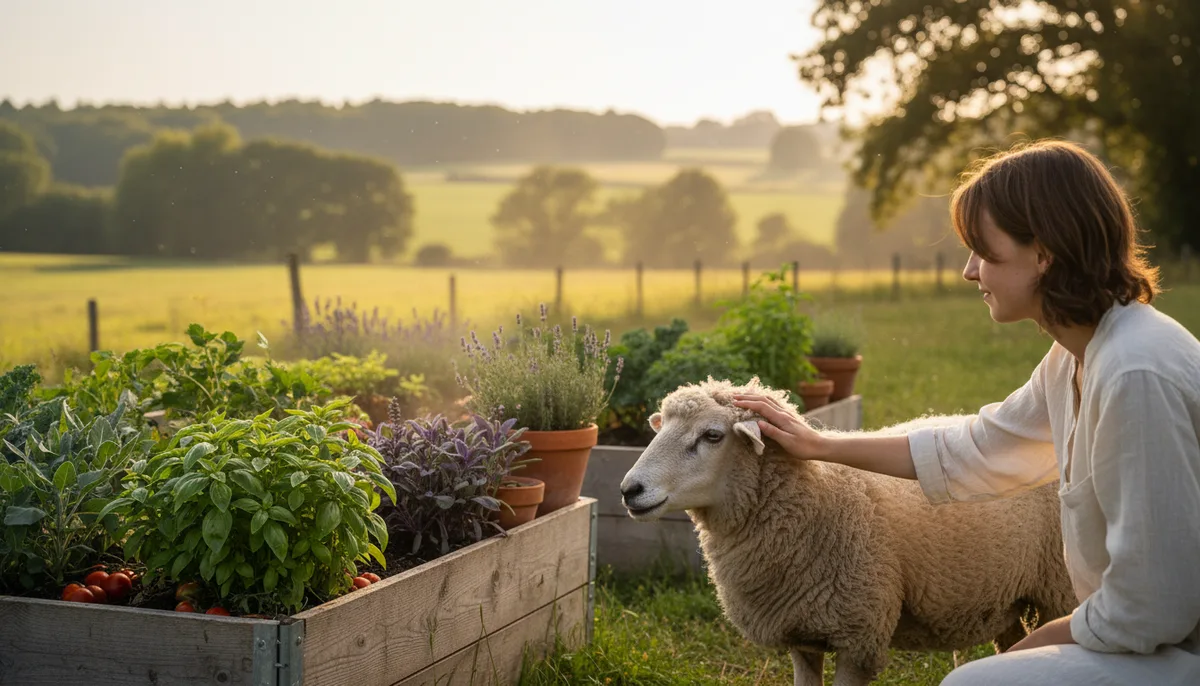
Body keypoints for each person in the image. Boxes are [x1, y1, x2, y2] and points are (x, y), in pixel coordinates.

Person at [732, 139, 1200, 685]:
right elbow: (978, 446)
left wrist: (1029, 649)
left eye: (984, 250)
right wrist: (819, 445)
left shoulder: (1134, 374)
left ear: (1044, 253)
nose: (969, 271)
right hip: (1147, 640)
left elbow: (1155, 605)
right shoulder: (1077, 357)